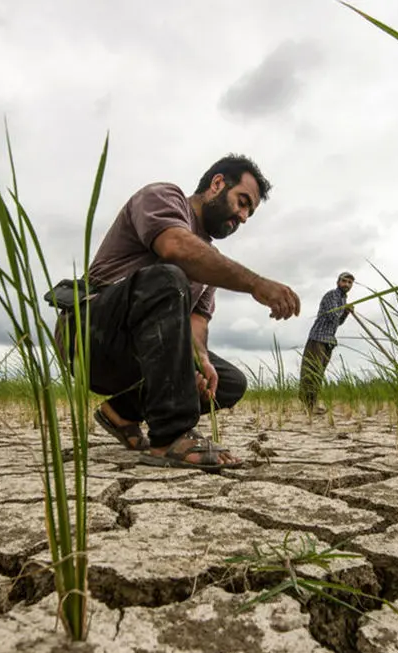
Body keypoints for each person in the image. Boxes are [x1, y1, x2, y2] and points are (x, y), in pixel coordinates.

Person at [56, 154, 301, 470]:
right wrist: (255, 284)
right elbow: (174, 247)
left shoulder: (209, 261)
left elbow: (196, 325)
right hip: (90, 335)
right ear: (216, 184)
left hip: (140, 354)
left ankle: (122, 413)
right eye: (242, 202)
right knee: (169, 276)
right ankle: (171, 437)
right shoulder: (164, 197)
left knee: (228, 381)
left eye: (249, 213)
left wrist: (200, 362)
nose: (243, 217)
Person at [299, 272, 355, 414]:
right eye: (344, 281)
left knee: (319, 374)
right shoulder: (332, 295)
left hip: (328, 340)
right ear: (338, 282)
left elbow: (339, 322)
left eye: (349, 282)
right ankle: (308, 405)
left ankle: (312, 404)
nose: (347, 284)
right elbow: (332, 316)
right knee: (311, 371)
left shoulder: (343, 299)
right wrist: (344, 309)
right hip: (318, 338)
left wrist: (346, 313)